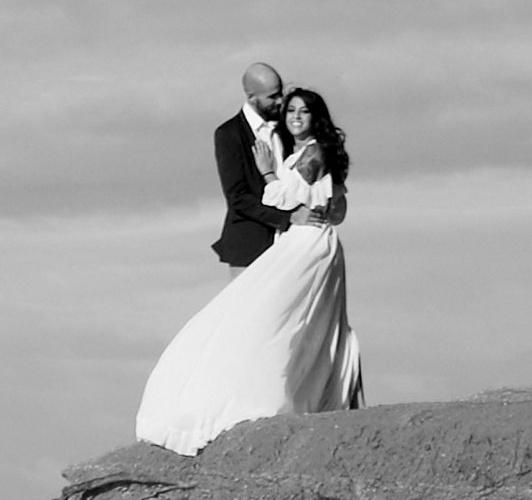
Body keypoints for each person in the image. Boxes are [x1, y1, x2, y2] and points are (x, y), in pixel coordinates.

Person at [137, 81, 365, 456]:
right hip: (300, 241)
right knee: (278, 316)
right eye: (290, 109)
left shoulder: (314, 152)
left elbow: (286, 196)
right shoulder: (300, 150)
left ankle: (273, 394)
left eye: (303, 111)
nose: (294, 116)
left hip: (307, 244)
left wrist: (267, 173)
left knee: (281, 317)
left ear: (317, 117)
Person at [213, 61, 288, 269]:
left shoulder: (287, 128)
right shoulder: (229, 134)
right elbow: (237, 197)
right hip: (249, 246)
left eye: (281, 93)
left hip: (291, 244)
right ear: (251, 97)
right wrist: (287, 218)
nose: (280, 101)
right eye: (273, 97)